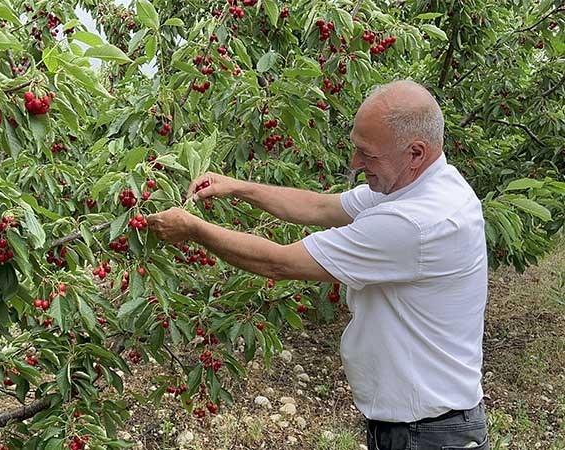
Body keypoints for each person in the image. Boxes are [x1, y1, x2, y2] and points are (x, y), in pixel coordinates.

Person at [147, 80, 490, 450]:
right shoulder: (416, 186)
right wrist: (237, 187)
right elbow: (319, 207)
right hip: (420, 427)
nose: (356, 164)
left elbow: (278, 263)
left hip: (428, 435)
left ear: (415, 153)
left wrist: (193, 229)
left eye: (368, 155)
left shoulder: (415, 223)